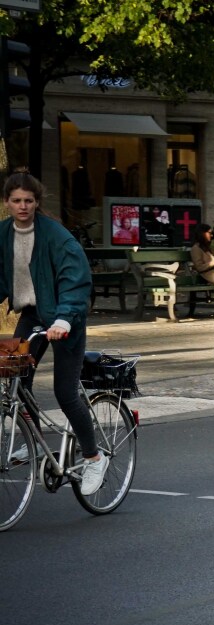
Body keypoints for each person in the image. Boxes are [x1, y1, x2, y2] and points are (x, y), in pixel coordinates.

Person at [0, 172, 108, 494]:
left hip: (64, 318)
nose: (23, 206)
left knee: (65, 391)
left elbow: (75, 279)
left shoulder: (56, 236)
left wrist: (63, 320)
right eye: (16, 200)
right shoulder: (3, 234)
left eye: (28, 201)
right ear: (7, 203)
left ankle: (93, 457)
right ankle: (33, 442)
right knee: (17, 382)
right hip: (33, 313)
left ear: (36, 202)